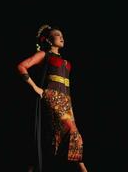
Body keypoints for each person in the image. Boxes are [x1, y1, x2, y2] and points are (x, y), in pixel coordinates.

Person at [17, 24, 88, 172]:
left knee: (67, 138)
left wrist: (71, 109)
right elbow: (22, 66)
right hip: (52, 97)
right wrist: (36, 88)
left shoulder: (66, 62)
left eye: (62, 35)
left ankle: (33, 166)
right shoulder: (44, 54)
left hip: (66, 100)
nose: (61, 37)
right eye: (57, 34)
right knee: (73, 133)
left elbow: (67, 89)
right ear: (49, 40)